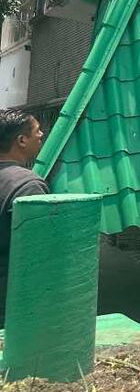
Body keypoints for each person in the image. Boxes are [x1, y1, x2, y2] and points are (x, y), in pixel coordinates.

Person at [0, 110, 47, 326]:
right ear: (21, 140)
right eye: (37, 130)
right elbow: (38, 253)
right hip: (10, 305)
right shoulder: (27, 186)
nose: (42, 134)